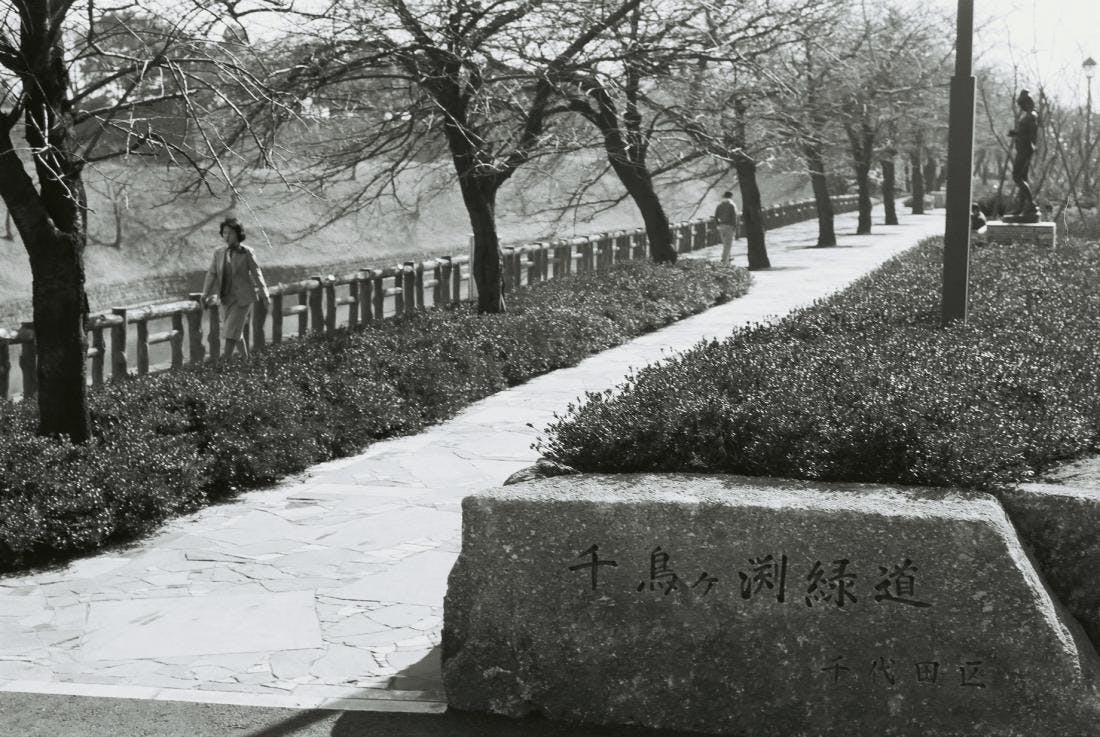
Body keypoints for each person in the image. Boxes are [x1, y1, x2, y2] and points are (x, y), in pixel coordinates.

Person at [201, 217, 270, 360]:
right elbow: (212, 273)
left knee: (230, 332)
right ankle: (246, 361)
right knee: (235, 332)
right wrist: (205, 293)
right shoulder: (218, 252)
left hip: (242, 300)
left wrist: (265, 294)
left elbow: (257, 273)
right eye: (224, 233)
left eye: (230, 233)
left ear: (238, 234)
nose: (227, 236)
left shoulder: (247, 252)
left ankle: (224, 363)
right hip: (225, 299)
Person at [1007, 89, 1040, 222]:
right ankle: (1021, 207)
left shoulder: (1031, 116)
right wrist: (1016, 133)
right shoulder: (1029, 115)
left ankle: (1031, 204)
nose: (1021, 107)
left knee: (1017, 176)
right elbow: (1026, 133)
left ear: (1027, 102)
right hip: (1023, 149)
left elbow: (1032, 135)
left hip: (1025, 150)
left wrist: (1020, 136)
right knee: (1023, 178)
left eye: (1022, 104)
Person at [714, 191, 739, 265]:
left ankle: (728, 257)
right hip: (729, 226)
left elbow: (716, 216)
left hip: (721, 225)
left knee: (725, 243)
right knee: (728, 244)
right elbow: (734, 216)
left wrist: (717, 225)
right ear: (731, 197)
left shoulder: (719, 205)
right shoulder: (732, 205)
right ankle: (724, 260)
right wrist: (735, 226)